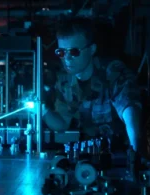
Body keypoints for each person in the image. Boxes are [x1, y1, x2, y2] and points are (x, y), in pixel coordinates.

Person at [41, 17, 142, 153]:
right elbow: (62, 124)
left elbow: (130, 114)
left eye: (74, 52)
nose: (67, 58)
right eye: (61, 52)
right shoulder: (66, 82)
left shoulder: (113, 72)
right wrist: (42, 109)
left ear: (92, 49)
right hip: (89, 155)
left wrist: (135, 156)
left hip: (122, 154)